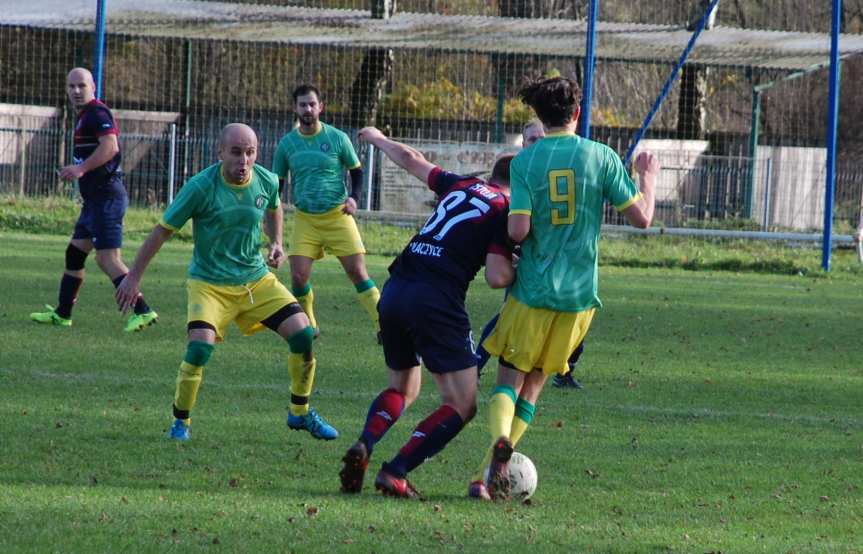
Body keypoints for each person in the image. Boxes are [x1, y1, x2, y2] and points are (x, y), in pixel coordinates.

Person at [473, 76, 659, 501]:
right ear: (577, 113)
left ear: (540, 116)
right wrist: (647, 178)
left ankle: (498, 445)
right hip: (578, 299)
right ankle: (487, 472)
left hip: (534, 291)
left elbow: (517, 229)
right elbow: (642, 219)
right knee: (536, 385)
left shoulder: (526, 162)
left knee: (508, 380)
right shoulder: (602, 156)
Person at [115, 123, 338, 441]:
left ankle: (299, 413)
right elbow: (162, 230)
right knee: (199, 348)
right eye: (236, 152)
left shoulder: (266, 180)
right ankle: (181, 422)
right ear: (219, 152)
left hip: (256, 280)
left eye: (250, 153)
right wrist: (133, 276)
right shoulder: (200, 187)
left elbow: (274, 208)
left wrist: (276, 242)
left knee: (303, 334)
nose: (244, 160)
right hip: (209, 284)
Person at [338, 126, 516, 499]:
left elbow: (411, 160)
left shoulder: (461, 185)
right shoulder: (504, 210)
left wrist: (379, 139)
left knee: (402, 386)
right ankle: (396, 471)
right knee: (463, 404)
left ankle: (365, 445)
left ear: (492, 176)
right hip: (436, 298)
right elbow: (499, 277)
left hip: (397, 287)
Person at [30, 68, 157, 332]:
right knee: (75, 253)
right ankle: (63, 314)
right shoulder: (84, 116)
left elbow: (110, 146)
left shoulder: (97, 113)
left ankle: (143, 310)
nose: (76, 91)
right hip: (95, 201)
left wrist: (81, 169)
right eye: (72, 86)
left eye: (82, 86)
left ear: (93, 87)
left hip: (107, 197)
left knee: (107, 259)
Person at [475, 119, 586, 390]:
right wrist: (512, 253)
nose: (537, 143)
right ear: (523, 145)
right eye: (531, 139)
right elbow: (509, 222)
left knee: (573, 314)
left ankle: (565, 371)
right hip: (529, 262)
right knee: (507, 316)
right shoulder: (521, 172)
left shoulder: (560, 171)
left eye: (541, 137)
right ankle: (476, 365)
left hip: (561, 262)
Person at [272, 84, 380, 339]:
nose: (307, 109)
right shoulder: (287, 144)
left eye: (312, 104)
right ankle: (309, 324)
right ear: (294, 108)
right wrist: (269, 220)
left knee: (357, 272)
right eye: (302, 104)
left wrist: (354, 197)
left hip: (337, 215)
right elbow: (277, 185)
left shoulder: (337, 138)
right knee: (298, 276)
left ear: (321, 107)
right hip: (305, 219)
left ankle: (384, 324)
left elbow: (357, 171)